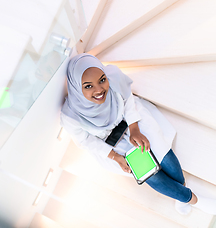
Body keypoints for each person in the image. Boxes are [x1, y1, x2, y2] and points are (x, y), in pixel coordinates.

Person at [60, 53, 216, 215]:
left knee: (164, 155)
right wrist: (115, 156)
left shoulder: (113, 76)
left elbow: (127, 99)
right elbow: (86, 141)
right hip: (110, 145)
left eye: (102, 80)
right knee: (149, 173)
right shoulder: (70, 115)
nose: (99, 90)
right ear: (76, 87)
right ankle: (196, 201)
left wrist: (134, 128)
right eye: (88, 86)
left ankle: (181, 193)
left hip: (131, 121)